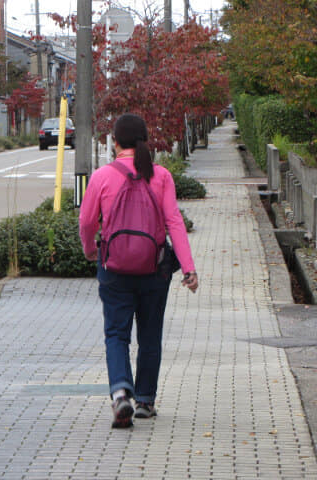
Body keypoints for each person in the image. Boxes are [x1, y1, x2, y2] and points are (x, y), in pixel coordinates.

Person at [79, 113, 198, 428]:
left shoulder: (103, 177)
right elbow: (174, 222)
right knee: (150, 336)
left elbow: (87, 222)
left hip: (114, 268)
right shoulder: (160, 176)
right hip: (154, 269)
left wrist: (90, 249)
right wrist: (188, 268)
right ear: (145, 141)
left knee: (116, 334)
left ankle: (121, 393)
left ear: (115, 142)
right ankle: (145, 401)